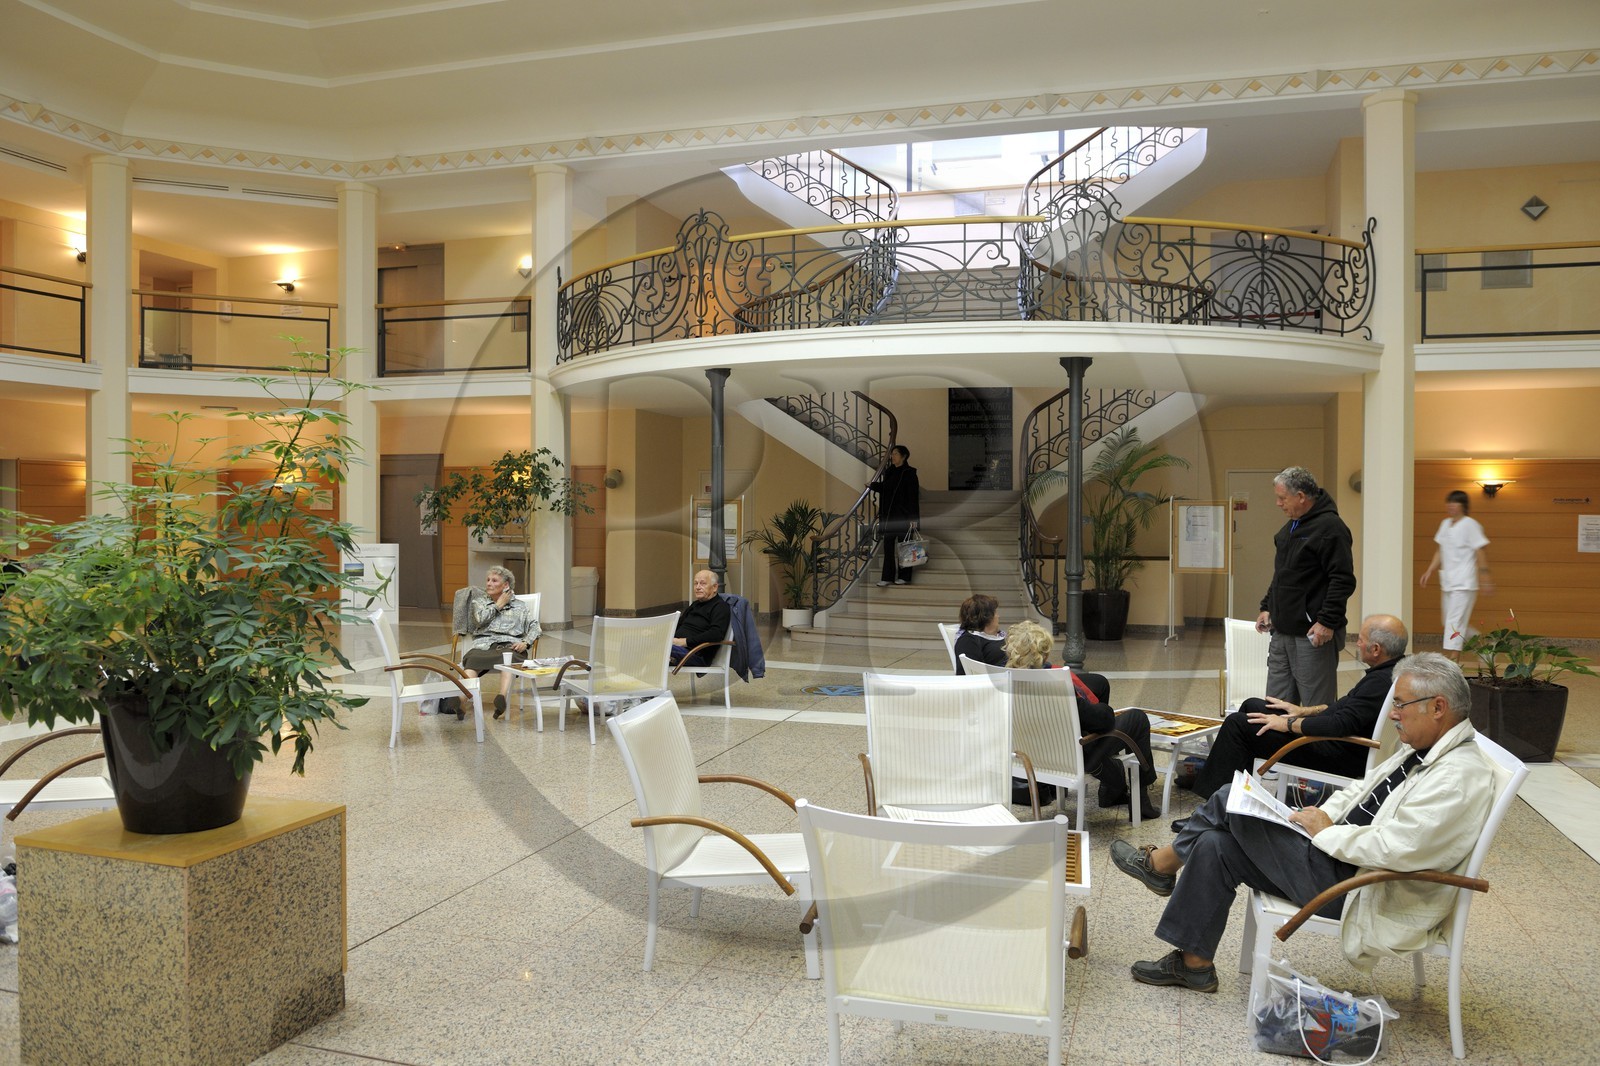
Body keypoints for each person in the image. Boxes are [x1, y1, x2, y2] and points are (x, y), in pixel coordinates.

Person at [1111, 653, 1496, 992]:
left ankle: (1160, 865)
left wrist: (1327, 832)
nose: (1393, 713)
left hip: (1361, 887)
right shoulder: (1426, 750)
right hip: (1340, 859)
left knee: (1231, 799)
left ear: (1439, 707)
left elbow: (1398, 848)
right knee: (1215, 844)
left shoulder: (1458, 776)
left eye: (1400, 704)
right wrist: (1326, 815)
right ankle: (1195, 965)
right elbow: (1364, 789)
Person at [1186, 614, 1408, 802]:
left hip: (1337, 752)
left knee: (1238, 725)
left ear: (1376, 648)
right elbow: (1346, 708)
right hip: (1337, 741)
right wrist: (1303, 711)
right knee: (1253, 705)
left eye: (1360, 640)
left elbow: (1340, 723)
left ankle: (1210, 805)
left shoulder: (1378, 683)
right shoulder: (1393, 673)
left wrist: (1288, 723)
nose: (1357, 644)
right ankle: (1228, 787)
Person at [1003, 620, 1157, 818]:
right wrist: (1099, 708)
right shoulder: (1056, 688)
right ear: (1044, 654)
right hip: (1073, 754)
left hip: (1034, 751)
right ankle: (1140, 801)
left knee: (1098, 684)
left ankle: (1110, 785)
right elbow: (1105, 720)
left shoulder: (1007, 680)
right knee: (1137, 718)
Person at [1258, 466, 1356, 710]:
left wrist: (1327, 621)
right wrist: (1267, 607)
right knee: (1275, 705)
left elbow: (1342, 579)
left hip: (1313, 635)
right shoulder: (1290, 527)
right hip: (1281, 632)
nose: (1278, 504)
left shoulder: (1330, 528)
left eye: (1282, 498)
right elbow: (1283, 575)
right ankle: (1280, 750)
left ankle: (1316, 750)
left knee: (1315, 709)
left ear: (1301, 496)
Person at [448, 565, 540, 720]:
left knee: (508, 659)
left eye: (494, 580)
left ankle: (501, 697)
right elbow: (480, 620)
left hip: (510, 645)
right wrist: (498, 605)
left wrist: (525, 642)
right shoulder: (479, 603)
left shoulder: (520, 606)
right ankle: (461, 700)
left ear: (505, 585)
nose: (489, 583)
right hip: (484, 645)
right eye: (488, 580)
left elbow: (535, 627)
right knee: (472, 660)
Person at [1420, 489, 1492, 661]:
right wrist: (1429, 570)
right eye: (1449, 502)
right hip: (1448, 581)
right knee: (1448, 622)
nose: (1450, 506)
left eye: (1455, 502)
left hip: (1465, 582)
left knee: (1454, 622)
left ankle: (1453, 660)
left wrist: (1485, 578)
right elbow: (1440, 549)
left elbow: (1481, 550)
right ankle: (1485, 646)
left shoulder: (1470, 524)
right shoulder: (1445, 524)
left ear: (1463, 506)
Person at [868, 444, 920, 586]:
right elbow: (886, 489)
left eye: (895, 454)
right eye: (892, 454)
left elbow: (913, 498)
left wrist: (913, 519)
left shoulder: (909, 473)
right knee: (888, 548)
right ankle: (887, 578)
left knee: (905, 547)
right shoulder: (890, 472)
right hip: (889, 518)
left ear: (903, 456)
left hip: (904, 517)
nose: (892, 456)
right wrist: (872, 485)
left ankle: (905, 577)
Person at [671, 569, 730, 667]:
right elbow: (678, 624)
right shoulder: (695, 605)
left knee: (654, 649)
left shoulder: (720, 607)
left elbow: (716, 634)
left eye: (703, 583)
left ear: (715, 587)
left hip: (696, 654)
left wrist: (685, 641)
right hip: (678, 647)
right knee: (643, 642)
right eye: (696, 583)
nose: (698, 587)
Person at [952, 593, 1006, 673]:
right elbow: (966, 674)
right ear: (986, 617)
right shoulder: (968, 641)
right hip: (999, 681)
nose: (998, 616)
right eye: (995, 613)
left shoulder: (999, 636)